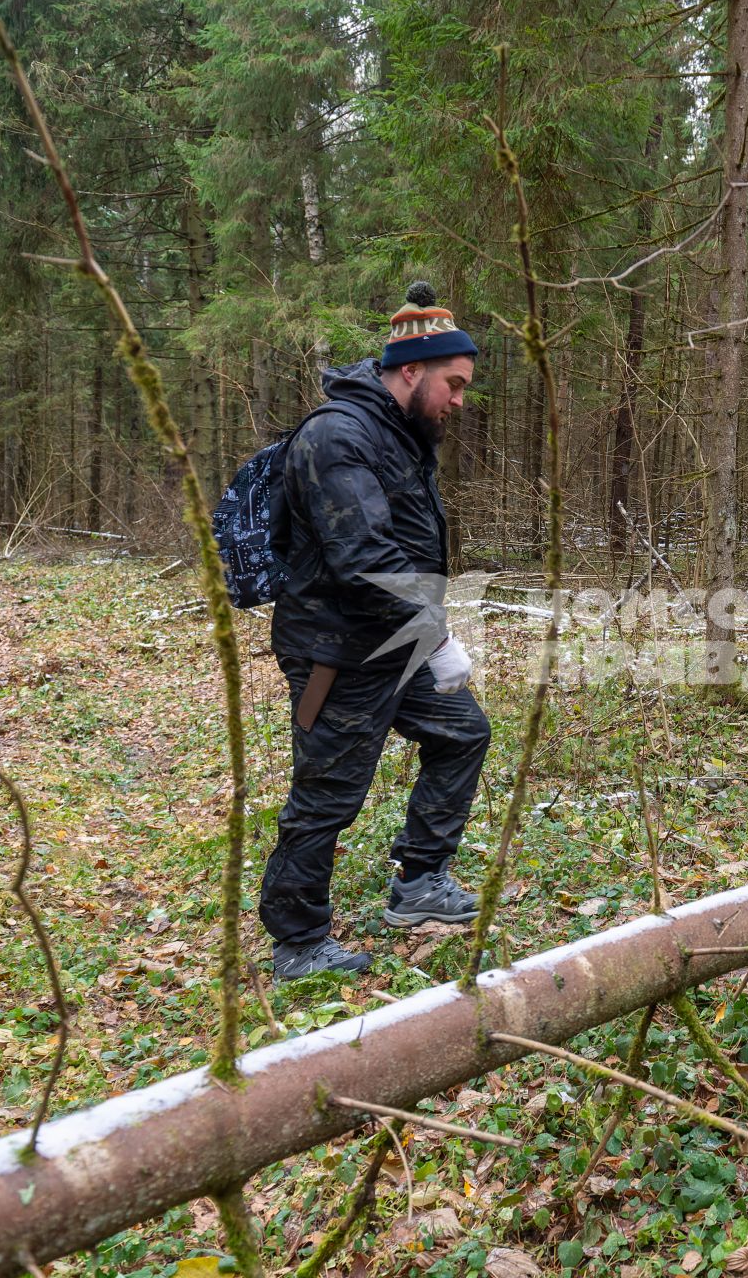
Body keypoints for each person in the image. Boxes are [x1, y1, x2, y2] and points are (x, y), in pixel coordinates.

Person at [260, 283, 492, 981]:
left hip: (394, 642)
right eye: (453, 384)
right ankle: (297, 942)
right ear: (412, 371)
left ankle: (419, 881)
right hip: (337, 653)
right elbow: (364, 559)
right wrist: (439, 634)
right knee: (326, 798)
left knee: (462, 733)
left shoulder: (399, 434)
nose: (458, 400)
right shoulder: (339, 436)